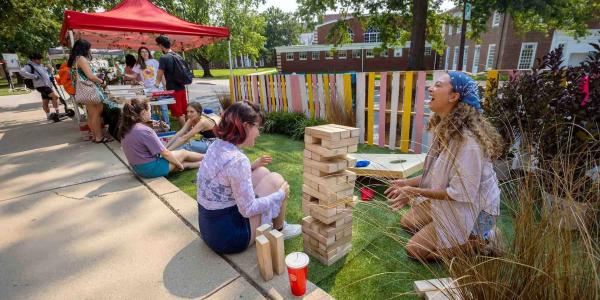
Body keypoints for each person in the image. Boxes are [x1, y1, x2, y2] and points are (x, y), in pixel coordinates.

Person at [384, 71, 502, 262]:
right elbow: (436, 175)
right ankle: (440, 227)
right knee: (408, 222)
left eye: (438, 85)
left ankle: (483, 239)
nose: (431, 88)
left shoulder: (468, 142)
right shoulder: (446, 128)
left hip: (476, 210)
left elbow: (460, 193)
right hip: (454, 201)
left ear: (453, 97)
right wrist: (408, 182)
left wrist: (413, 191)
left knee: (415, 250)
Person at [196, 101, 301, 254]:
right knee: (277, 181)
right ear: (245, 126)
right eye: (257, 127)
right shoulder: (238, 160)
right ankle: (279, 229)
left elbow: (224, 175)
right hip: (230, 238)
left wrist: (252, 166)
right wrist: (280, 195)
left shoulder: (217, 145)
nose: (259, 133)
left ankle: (277, 223)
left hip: (209, 228)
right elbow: (248, 209)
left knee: (262, 172)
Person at [119, 98, 204, 178]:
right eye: (150, 110)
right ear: (144, 112)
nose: (150, 113)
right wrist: (179, 164)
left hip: (138, 169)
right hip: (150, 168)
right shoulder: (145, 130)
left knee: (183, 163)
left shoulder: (126, 127)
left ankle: (203, 163)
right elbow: (165, 153)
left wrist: (179, 164)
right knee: (183, 153)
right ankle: (207, 157)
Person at [68, 39, 117, 143]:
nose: (89, 50)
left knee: (91, 114)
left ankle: (95, 136)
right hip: (89, 90)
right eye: (88, 48)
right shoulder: (81, 59)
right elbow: (90, 76)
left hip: (82, 91)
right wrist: (101, 81)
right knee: (96, 113)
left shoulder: (74, 59)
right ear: (84, 49)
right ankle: (99, 137)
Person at [155, 35, 190, 127]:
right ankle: (190, 129)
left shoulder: (164, 57)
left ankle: (185, 133)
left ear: (161, 45)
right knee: (185, 110)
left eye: (158, 45)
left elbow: (159, 74)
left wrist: (156, 85)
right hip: (182, 86)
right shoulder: (177, 55)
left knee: (179, 113)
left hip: (173, 89)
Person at [19, 53, 61, 120]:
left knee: (45, 100)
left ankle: (48, 116)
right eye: (38, 59)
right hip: (41, 86)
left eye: (41, 59)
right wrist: (33, 76)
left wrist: (50, 69)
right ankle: (57, 113)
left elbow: (47, 72)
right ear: (33, 59)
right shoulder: (29, 66)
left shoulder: (39, 65)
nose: (40, 60)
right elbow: (21, 72)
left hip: (46, 85)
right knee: (55, 96)